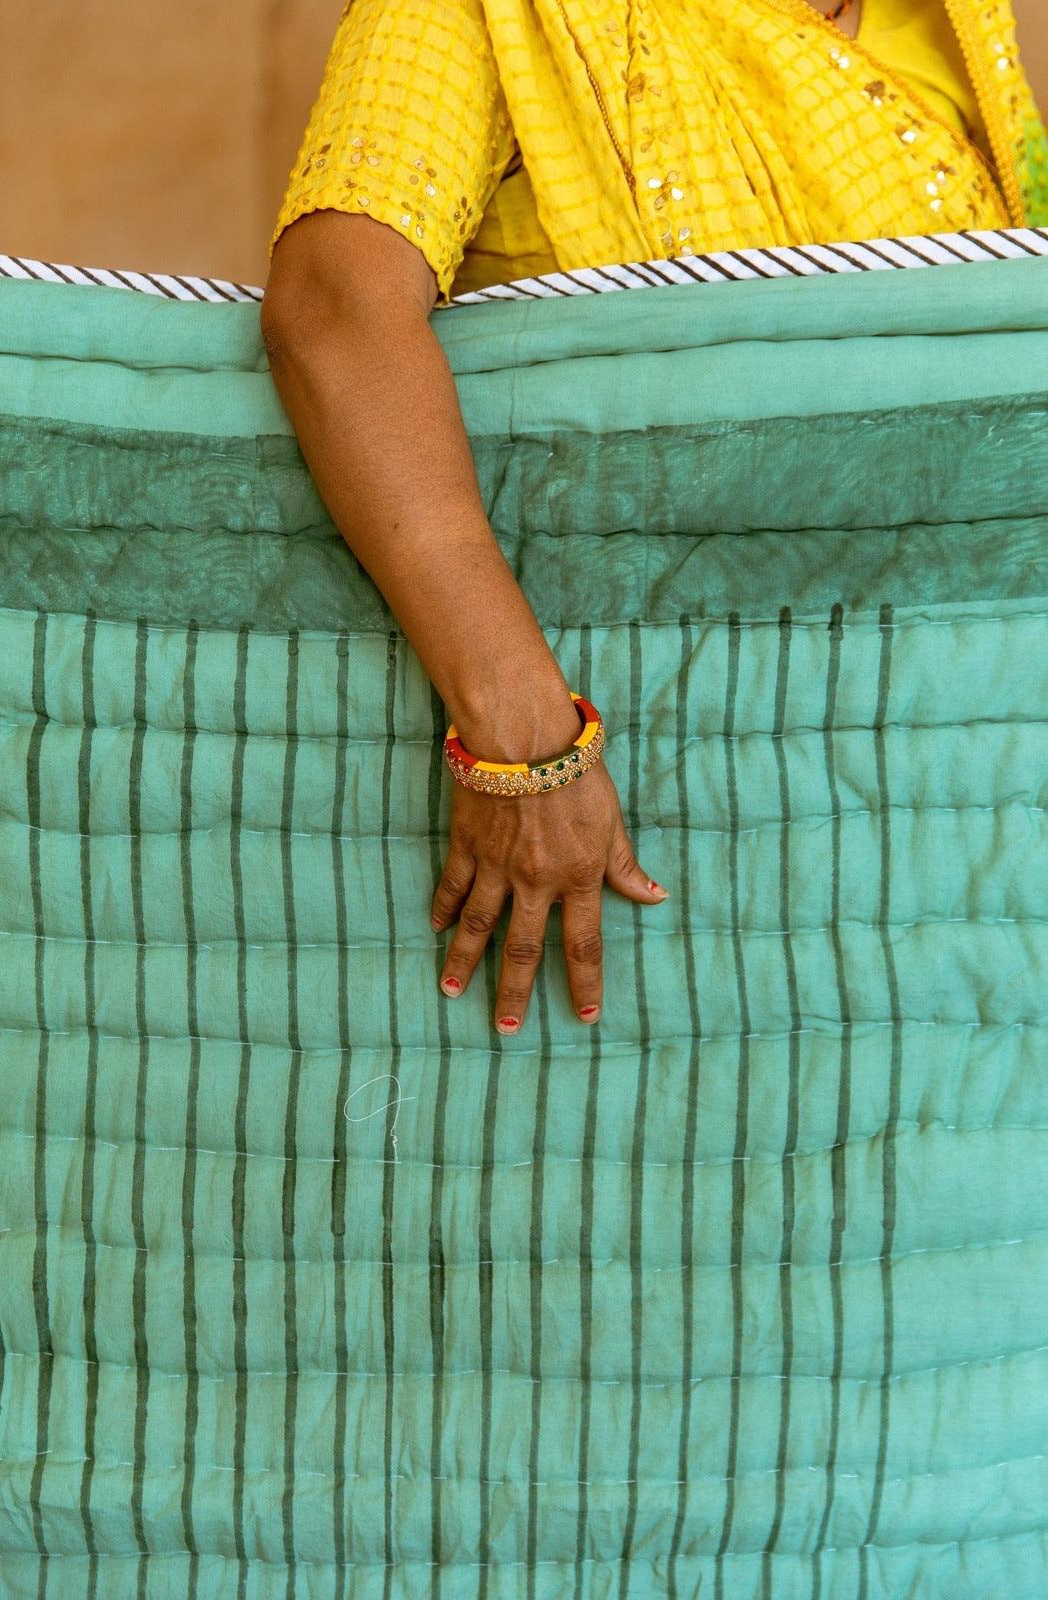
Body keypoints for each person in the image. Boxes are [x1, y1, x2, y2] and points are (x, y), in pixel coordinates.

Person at [260, 0, 1047, 1037]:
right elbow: (333, 307)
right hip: (633, 793)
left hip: (945, 808)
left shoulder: (952, 26)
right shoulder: (490, 14)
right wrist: (525, 742)